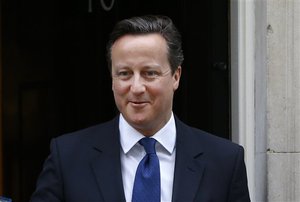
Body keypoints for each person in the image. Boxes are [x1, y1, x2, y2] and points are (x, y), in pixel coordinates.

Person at [30, 15, 250, 202]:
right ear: (112, 79)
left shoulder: (224, 162)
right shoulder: (67, 157)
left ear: (176, 76)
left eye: (149, 73)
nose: (136, 88)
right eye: (124, 73)